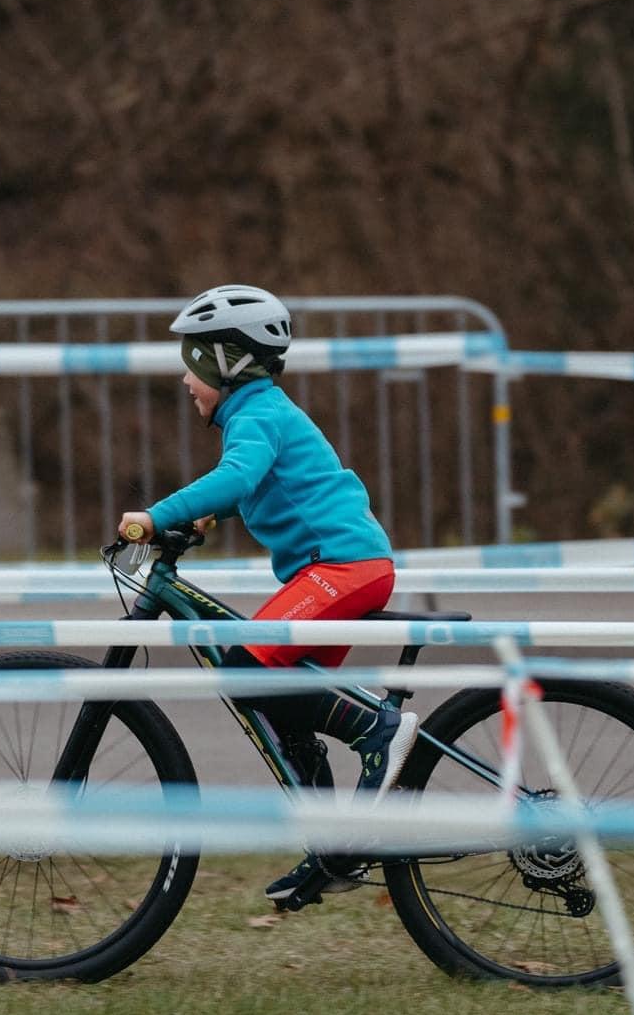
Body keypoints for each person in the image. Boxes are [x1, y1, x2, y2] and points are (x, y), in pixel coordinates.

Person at [117, 284, 417, 905]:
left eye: (194, 364)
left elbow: (239, 476)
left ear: (227, 364)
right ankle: (330, 849)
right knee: (283, 706)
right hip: (341, 568)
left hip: (344, 568)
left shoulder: (256, 415)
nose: (185, 379)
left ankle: (380, 733)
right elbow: (268, 483)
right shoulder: (258, 414)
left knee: (246, 668)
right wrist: (209, 516)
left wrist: (156, 514)